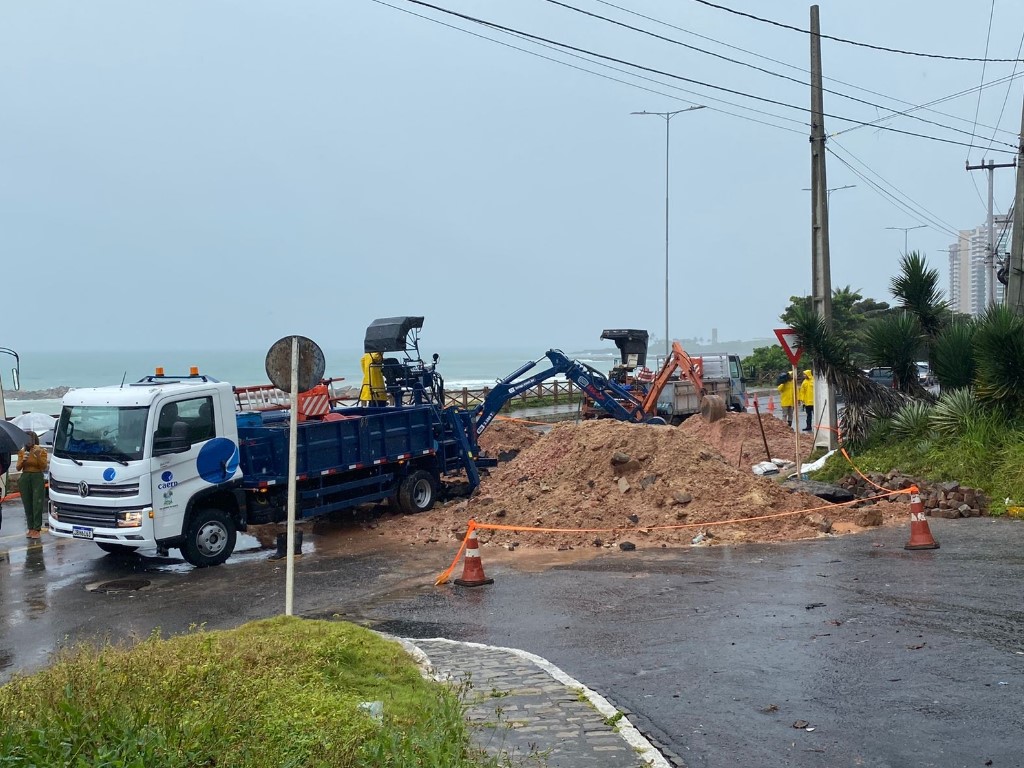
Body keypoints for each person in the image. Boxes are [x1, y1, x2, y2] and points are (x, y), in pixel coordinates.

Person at [16, 431, 49, 539]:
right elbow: (18, 468)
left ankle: (36, 528)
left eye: (31, 439)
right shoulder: (22, 452)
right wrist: (23, 461)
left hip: (37, 476)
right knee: (27, 503)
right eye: (27, 439)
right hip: (25, 477)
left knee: (37, 503)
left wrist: (38, 456)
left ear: (35, 440)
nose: (29, 442)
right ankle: (30, 527)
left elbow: (44, 466)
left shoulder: (41, 450)